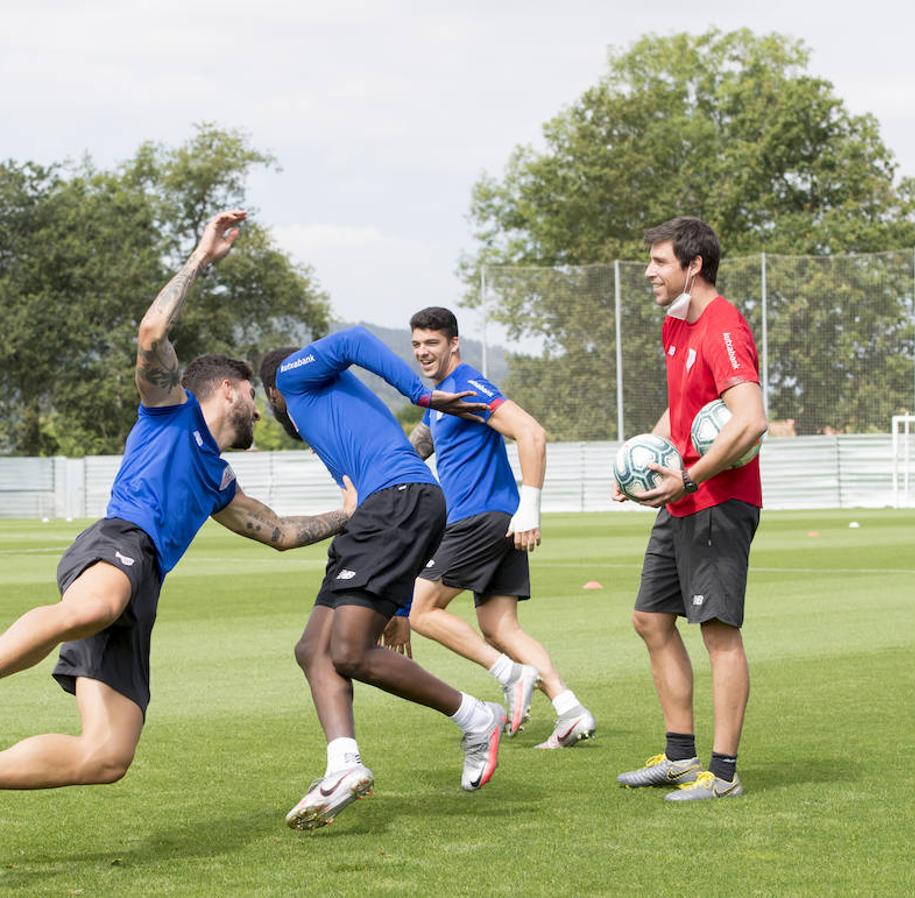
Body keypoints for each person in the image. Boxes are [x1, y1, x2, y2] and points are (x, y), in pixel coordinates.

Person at [0, 210, 355, 791]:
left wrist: (349, 512)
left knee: (107, 757)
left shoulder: (218, 481)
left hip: (142, 587)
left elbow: (280, 532)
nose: (261, 413)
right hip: (117, 545)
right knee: (90, 609)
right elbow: (150, 335)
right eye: (254, 399)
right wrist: (201, 259)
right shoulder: (171, 409)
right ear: (230, 388)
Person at [260, 324, 507, 832]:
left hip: (398, 500)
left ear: (272, 392)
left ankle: (476, 717)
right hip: (386, 511)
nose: (268, 412)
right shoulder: (324, 421)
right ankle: (342, 764)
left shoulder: (292, 376)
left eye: (264, 402)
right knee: (314, 648)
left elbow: (352, 339)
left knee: (348, 652)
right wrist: (397, 610)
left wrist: (422, 394)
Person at [614, 216, 767, 801]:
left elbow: (750, 418)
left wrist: (689, 476)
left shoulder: (723, 326)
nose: (649, 272)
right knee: (651, 619)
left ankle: (723, 773)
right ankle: (680, 758)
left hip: (718, 502)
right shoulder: (675, 327)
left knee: (719, 632)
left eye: (659, 262)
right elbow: (680, 414)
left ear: (692, 265)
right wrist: (637, 460)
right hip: (682, 497)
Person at [405, 306, 595, 748]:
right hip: (495, 522)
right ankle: (569, 710)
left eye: (432, 343)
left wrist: (531, 506)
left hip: (480, 518)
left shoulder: (468, 386)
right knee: (500, 628)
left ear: (454, 343)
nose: (423, 352)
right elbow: (411, 454)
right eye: (416, 344)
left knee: (419, 610)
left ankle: (509, 675)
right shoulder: (441, 402)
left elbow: (531, 433)